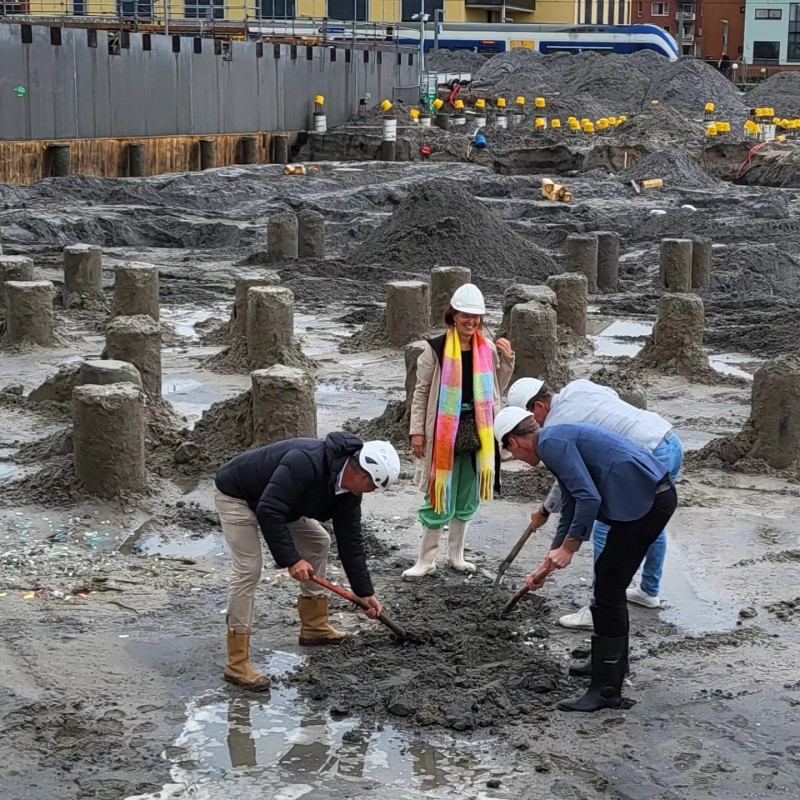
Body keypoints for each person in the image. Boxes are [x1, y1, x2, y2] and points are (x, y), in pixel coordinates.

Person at [494, 411, 678, 712]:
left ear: (514, 441)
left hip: (647, 503)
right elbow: (571, 502)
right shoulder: (553, 439)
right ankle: (606, 666)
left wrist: (570, 547)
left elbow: (589, 498)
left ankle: (607, 691)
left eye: (509, 451)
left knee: (608, 590)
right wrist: (548, 562)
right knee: (607, 583)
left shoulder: (552, 443)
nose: (515, 456)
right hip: (644, 499)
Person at [214, 433, 401, 691]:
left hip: (281, 503)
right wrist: (291, 560)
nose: (372, 492)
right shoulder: (307, 462)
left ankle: (314, 627)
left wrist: (364, 592)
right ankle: (237, 664)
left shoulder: (349, 494)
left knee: (318, 542)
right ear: (363, 476)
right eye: (373, 487)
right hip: (239, 495)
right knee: (248, 569)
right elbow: (269, 509)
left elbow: (351, 542)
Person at [506, 378, 683, 629]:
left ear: (538, 406)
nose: (532, 424)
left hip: (646, 454)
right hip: (668, 439)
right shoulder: (577, 387)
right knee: (650, 521)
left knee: (609, 527)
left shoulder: (555, 428)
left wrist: (547, 510)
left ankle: (597, 607)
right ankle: (648, 591)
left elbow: (571, 482)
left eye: (530, 417)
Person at [403, 283, 515, 578]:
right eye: (465, 315)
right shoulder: (435, 350)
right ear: (453, 315)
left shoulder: (487, 349)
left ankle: (457, 555)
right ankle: (426, 560)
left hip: (478, 429)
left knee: (467, 492)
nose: (471, 321)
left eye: (476, 316)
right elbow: (421, 392)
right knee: (439, 491)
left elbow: (496, 391)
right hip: (443, 430)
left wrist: (508, 361)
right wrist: (418, 432)